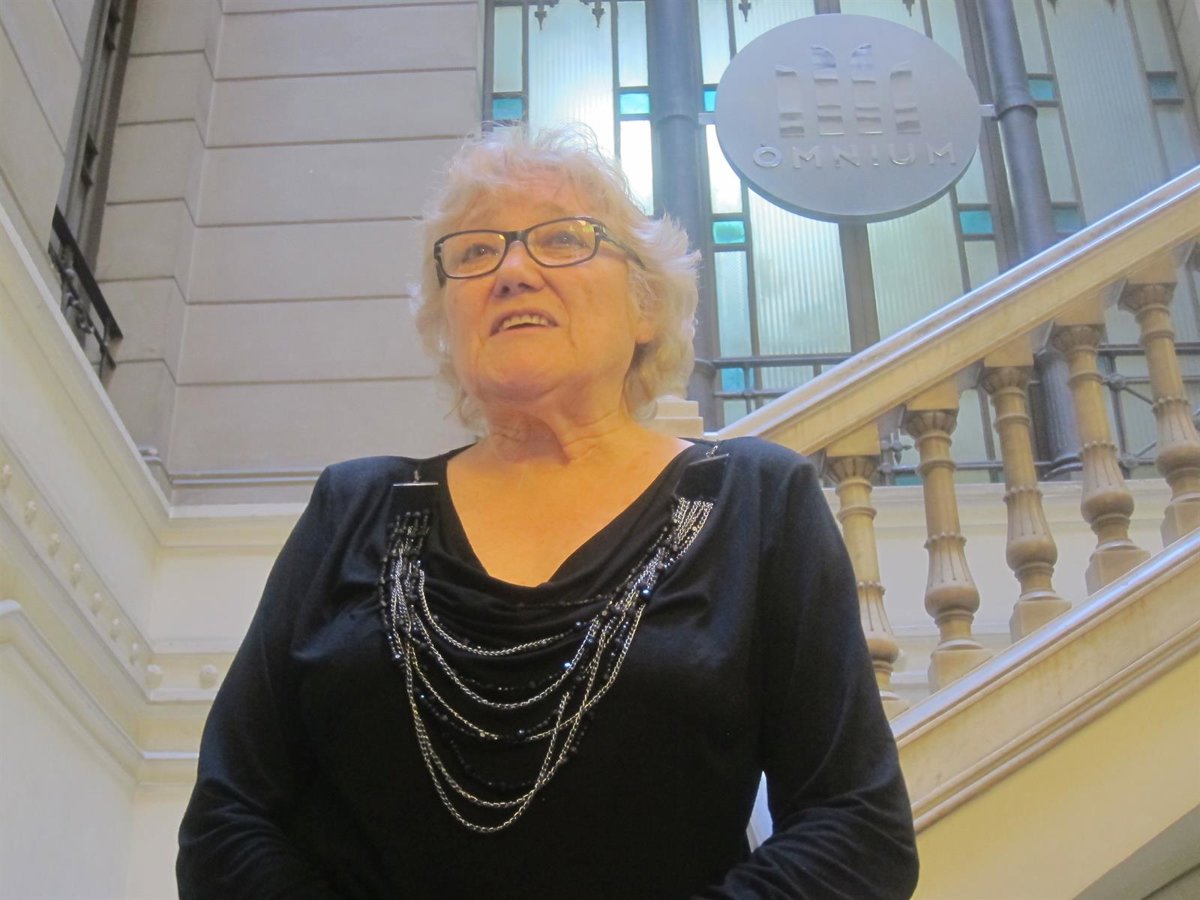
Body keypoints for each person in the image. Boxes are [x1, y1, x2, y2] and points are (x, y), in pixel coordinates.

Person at [176, 127, 918, 899]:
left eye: (562, 238)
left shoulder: (758, 502)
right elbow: (228, 818)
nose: (512, 271)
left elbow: (857, 830)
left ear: (644, 306)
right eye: (474, 252)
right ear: (447, 321)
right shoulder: (353, 506)